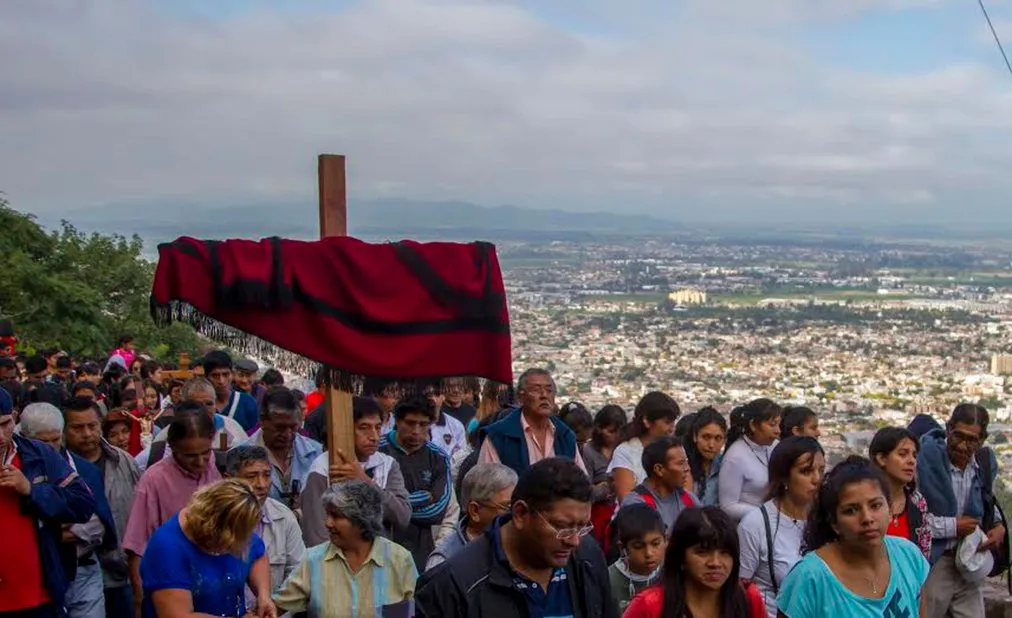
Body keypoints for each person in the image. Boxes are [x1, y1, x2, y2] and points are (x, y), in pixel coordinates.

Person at [415, 458, 616, 618]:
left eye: (581, 527)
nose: (574, 541)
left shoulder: (587, 558)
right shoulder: (454, 585)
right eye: (562, 526)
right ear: (520, 513)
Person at [777, 456, 929, 618]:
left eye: (875, 505)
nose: (867, 518)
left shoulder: (908, 555)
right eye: (851, 510)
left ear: (890, 510)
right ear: (834, 522)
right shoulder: (810, 578)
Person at [0, 396, 97, 618]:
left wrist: (32, 491)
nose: (0, 436)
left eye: (5, 424)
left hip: (39, 597)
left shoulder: (37, 454)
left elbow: (82, 503)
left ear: (15, 418)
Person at [19, 403, 118, 618]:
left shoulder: (83, 470)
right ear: (24, 437)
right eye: (42, 442)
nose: (50, 447)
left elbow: (96, 523)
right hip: (40, 573)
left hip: (84, 569)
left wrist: (53, 530)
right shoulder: (18, 472)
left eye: (55, 440)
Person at [122, 409, 221, 617]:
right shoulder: (153, 480)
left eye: (206, 453)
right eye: (191, 456)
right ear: (174, 448)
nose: (201, 462)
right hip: (168, 582)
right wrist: (139, 596)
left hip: (209, 582)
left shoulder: (212, 469)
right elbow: (136, 546)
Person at [274, 480, 417, 617]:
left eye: (336, 516)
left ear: (362, 520)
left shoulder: (399, 561)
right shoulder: (313, 560)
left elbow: (413, 612)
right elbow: (276, 608)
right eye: (328, 515)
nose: (328, 523)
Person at [917, 403, 1005, 618]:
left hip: (970, 559)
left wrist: (997, 525)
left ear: (982, 440)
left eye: (972, 440)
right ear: (948, 430)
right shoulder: (924, 461)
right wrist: (953, 527)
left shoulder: (983, 464)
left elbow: (987, 501)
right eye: (958, 436)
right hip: (935, 561)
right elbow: (915, 520)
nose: (963, 446)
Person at [140, 479, 276, 618]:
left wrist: (263, 595)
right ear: (214, 529)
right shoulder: (167, 549)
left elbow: (257, 555)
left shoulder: (234, 524)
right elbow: (177, 615)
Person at [63, 397, 142, 618]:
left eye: (92, 426)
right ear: (64, 430)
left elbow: (141, 515)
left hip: (122, 572)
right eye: (78, 428)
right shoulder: (58, 468)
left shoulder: (124, 462)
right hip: (77, 574)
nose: (87, 433)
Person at [301, 396, 412, 546]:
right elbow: (316, 536)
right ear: (346, 429)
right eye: (364, 428)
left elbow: (402, 516)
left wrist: (364, 480)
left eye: (378, 427)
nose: (374, 436)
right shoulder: (322, 468)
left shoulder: (387, 465)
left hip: (379, 560)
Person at [622, 506, 766, 618]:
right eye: (702, 552)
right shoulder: (650, 605)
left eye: (725, 553)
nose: (715, 562)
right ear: (681, 557)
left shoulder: (748, 599)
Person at [737, 436, 824, 618]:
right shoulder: (756, 524)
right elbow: (739, 589)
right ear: (784, 477)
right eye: (806, 471)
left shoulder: (827, 520)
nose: (817, 479)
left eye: (821, 470)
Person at [380, 395, 456, 570]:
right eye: (410, 423)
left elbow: (437, 511)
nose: (416, 431)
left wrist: (394, 506)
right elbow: (371, 505)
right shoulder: (378, 452)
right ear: (397, 421)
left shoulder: (439, 458)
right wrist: (423, 498)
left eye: (423, 424)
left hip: (421, 553)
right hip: (382, 547)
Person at [224, 446, 304, 603]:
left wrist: (273, 608)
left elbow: (299, 575)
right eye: (251, 476)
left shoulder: (284, 516)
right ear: (228, 479)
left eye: (267, 475)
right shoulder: (214, 520)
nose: (261, 484)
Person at [479, 368, 588, 477]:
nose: (544, 395)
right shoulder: (499, 436)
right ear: (521, 397)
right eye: (536, 390)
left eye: (549, 391)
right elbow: (487, 486)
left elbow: (581, 483)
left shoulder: (565, 435)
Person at [236, 387, 322, 508]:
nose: (287, 434)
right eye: (280, 428)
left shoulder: (316, 452)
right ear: (262, 420)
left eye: (293, 427)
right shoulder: (239, 455)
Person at [138, 379, 247, 472]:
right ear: (185, 405)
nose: (204, 410)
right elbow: (140, 465)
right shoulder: (167, 436)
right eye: (198, 405)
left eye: (209, 404)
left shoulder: (232, 428)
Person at [426, 463, 518, 570]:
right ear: (475, 510)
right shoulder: (444, 561)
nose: (516, 513)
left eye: (517, 504)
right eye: (507, 506)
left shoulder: (522, 549)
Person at [869, 426, 932, 559]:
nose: (911, 461)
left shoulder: (917, 501)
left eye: (914, 455)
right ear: (881, 458)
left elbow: (923, 551)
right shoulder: (864, 499)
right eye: (903, 454)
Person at [607, 391, 680, 501]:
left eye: (673, 423)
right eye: (667, 422)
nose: (671, 429)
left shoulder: (674, 450)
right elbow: (627, 500)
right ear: (647, 421)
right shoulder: (625, 452)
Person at [718, 399, 782, 523]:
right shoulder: (735, 457)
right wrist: (765, 514)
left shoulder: (774, 446)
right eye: (772, 425)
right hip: (748, 526)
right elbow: (728, 507)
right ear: (753, 425)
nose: (778, 431)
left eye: (778, 425)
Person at [619, 436, 698, 534]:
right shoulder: (636, 504)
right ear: (659, 469)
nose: (687, 468)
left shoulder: (688, 499)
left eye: (686, 461)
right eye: (681, 463)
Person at [607, 504, 666, 614]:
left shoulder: (671, 574)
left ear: (665, 539)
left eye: (655, 544)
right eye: (638, 546)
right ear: (623, 547)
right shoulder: (609, 580)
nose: (649, 553)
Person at [584, 404, 625, 545]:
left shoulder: (623, 450)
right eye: (611, 431)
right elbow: (586, 491)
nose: (616, 436)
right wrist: (608, 488)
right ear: (599, 429)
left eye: (619, 432)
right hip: (598, 515)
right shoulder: (588, 452)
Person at [203, 350, 259, 432]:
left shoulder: (248, 402)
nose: (221, 381)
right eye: (215, 375)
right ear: (207, 377)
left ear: (232, 374)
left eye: (225, 374)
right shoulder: (201, 402)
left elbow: (254, 437)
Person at [685, 407, 726, 506]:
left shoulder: (725, 466)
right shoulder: (684, 466)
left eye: (718, 438)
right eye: (706, 437)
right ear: (695, 436)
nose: (711, 445)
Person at [422, 380, 468, 460]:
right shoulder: (415, 425)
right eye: (429, 395)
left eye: (437, 395)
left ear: (443, 397)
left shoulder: (456, 426)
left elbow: (462, 459)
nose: (433, 399)